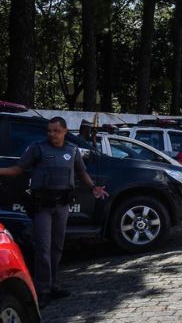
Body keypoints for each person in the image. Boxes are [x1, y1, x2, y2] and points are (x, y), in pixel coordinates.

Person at [0, 117, 109, 306]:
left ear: (65, 131)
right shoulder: (37, 148)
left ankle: (53, 285)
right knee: (43, 249)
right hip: (42, 206)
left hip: (63, 206)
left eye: (56, 131)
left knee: (57, 247)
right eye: (49, 131)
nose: (52, 134)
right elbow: (17, 169)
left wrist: (93, 188)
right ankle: (42, 290)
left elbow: (82, 173)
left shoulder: (72, 150)